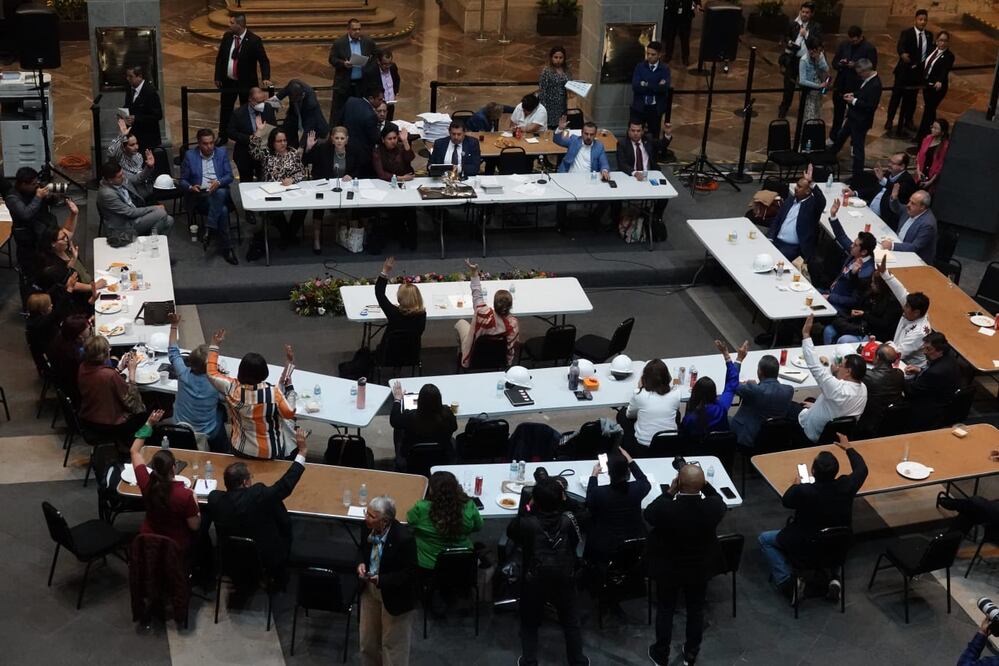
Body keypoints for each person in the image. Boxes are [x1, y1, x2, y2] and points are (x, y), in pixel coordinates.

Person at [758, 434, 867, 602]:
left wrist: (795, 485)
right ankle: (834, 578)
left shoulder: (804, 491)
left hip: (805, 546)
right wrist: (849, 448)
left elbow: (786, 500)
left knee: (765, 540)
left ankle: (788, 582)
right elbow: (862, 469)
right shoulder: (846, 485)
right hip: (837, 545)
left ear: (813, 471)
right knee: (831, 538)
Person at [645, 462, 726, 666]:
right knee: (695, 610)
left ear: (679, 482)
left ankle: (661, 652)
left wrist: (670, 491)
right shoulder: (713, 508)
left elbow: (649, 514)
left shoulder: (666, 508)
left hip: (669, 569)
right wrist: (704, 485)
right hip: (699, 569)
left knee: (665, 610)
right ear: (701, 484)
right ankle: (691, 652)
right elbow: (717, 498)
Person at [506, 477, 589, 666]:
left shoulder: (527, 523)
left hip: (534, 577)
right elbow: (583, 516)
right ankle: (577, 661)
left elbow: (512, 531)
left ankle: (529, 661)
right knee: (570, 620)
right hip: (565, 574)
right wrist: (565, 500)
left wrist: (527, 508)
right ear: (561, 499)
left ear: (535, 500)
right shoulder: (570, 520)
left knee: (530, 621)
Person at [208, 427, 309, 576]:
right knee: (278, 510)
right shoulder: (258, 495)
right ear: (244, 482)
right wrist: (302, 453)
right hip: (264, 557)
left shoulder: (215, 499)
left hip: (231, 558)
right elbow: (284, 485)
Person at [206, 328, 298, 460]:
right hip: (270, 451)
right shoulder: (273, 393)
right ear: (264, 372)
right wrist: (290, 386)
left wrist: (215, 345)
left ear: (241, 370)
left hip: (241, 448)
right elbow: (289, 413)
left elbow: (211, 373)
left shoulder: (231, 387)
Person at [358, 495, 418, 666]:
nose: (366, 518)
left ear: (384, 521)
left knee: (393, 645)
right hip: (370, 591)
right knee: (367, 642)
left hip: (395, 595)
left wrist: (382, 579)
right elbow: (361, 550)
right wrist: (361, 562)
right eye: (366, 513)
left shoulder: (403, 539)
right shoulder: (367, 527)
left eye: (371, 516)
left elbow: (410, 573)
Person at [129, 409, 201, 555]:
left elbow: (134, 451)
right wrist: (196, 503)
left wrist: (149, 424)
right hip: (175, 546)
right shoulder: (185, 495)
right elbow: (194, 526)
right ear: (174, 468)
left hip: (149, 541)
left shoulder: (146, 483)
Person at [792, 315, 868, 444]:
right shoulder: (863, 389)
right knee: (810, 400)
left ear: (848, 372)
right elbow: (836, 407)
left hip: (811, 433)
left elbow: (815, 366)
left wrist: (806, 335)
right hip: (833, 435)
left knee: (789, 407)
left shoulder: (837, 389)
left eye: (841, 365)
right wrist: (816, 406)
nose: (838, 367)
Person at [165, 313, 227, 453]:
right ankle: (222, 450)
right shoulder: (217, 384)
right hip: (206, 432)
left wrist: (174, 326)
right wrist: (215, 345)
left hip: (180, 426)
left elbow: (173, 351)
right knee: (222, 410)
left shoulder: (182, 373)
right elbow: (226, 397)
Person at [178, 129, 237, 265]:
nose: (209, 146)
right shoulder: (190, 156)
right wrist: (190, 187)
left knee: (220, 192)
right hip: (201, 195)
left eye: (211, 143)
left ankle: (209, 229)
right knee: (222, 211)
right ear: (199, 144)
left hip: (220, 191)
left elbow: (230, 176)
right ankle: (227, 248)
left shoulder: (221, 152)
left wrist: (219, 182)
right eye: (205, 144)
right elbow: (182, 180)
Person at [406, 471, 483, 572]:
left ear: (431, 490)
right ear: (456, 488)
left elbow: (409, 521)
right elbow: (479, 526)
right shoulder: (469, 506)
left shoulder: (421, 508)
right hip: (462, 564)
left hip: (428, 566)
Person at [584, 447, 650, 564]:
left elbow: (589, 498)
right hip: (635, 537)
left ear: (609, 473)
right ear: (628, 471)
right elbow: (644, 480)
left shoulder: (600, 493)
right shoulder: (637, 488)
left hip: (608, 541)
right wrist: (630, 459)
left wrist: (594, 475)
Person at [77, 336, 147, 445]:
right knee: (145, 413)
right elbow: (133, 403)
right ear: (105, 354)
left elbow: (102, 384)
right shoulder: (109, 375)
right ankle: (133, 446)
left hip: (88, 419)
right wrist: (132, 372)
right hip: (109, 425)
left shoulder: (83, 367)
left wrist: (119, 369)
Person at [213, 13, 271, 144]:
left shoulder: (254, 40)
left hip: (246, 83)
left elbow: (263, 60)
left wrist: (266, 77)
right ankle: (223, 135)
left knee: (247, 109)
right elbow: (220, 58)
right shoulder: (227, 37)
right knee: (226, 108)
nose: (229, 25)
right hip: (228, 82)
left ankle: (247, 135)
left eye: (232, 23)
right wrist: (217, 76)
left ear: (240, 25)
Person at [304, 125, 361, 252]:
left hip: (346, 187)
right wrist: (308, 148)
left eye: (342, 138)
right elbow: (306, 161)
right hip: (327, 187)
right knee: (318, 206)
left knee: (357, 202)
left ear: (347, 139)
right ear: (332, 139)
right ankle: (317, 239)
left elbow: (358, 168)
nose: (339, 141)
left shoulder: (353, 150)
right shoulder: (323, 149)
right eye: (337, 138)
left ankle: (353, 237)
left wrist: (351, 175)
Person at [250, 127, 309, 245]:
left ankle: (288, 235)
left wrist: (292, 179)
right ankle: (287, 235)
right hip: (272, 192)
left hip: (290, 191)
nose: (283, 143)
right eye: (279, 141)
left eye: (284, 140)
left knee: (303, 209)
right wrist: (258, 133)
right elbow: (254, 153)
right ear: (272, 142)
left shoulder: (293, 153)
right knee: (274, 211)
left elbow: (302, 172)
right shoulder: (267, 154)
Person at [456, 259, 519, 368]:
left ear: (494, 304)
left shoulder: (482, 313)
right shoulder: (513, 324)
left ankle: (462, 353)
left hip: (473, 360)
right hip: (499, 360)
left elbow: (477, 294)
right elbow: (510, 347)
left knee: (460, 323)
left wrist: (474, 273)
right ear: (510, 306)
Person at [830, 59, 882, 183]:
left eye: (860, 73)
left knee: (858, 148)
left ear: (866, 71)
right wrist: (853, 94)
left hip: (861, 121)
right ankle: (828, 157)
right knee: (840, 137)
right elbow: (862, 93)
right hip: (854, 117)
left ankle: (857, 176)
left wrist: (853, 101)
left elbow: (870, 106)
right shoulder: (868, 81)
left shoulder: (875, 85)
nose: (859, 75)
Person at [97, 161, 174, 243]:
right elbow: (129, 212)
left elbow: (138, 178)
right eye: (120, 176)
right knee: (161, 213)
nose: (123, 177)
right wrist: (154, 208)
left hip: (134, 215)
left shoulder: (118, 180)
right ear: (110, 180)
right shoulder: (107, 194)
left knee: (169, 220)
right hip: (124, 225)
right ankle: (150, 243)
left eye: (122, 173)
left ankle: (154, 243)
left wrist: (149, 167)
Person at [822, 198, 877, 316]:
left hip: (839, 306)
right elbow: (842, 236)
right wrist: (833, 216)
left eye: (855, 245)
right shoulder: (855, 252)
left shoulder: (866, 273)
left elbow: (853, 300)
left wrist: (830, 298)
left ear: (864, 252)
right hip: (829, 293)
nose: (851, 246)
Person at [819, 270, 903, 345]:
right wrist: (854, 274)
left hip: (871, 333)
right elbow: (859, 285)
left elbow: (883, 324)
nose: (871, 284)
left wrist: (864, 315)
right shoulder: (871, 293)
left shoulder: (893, 303)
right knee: (828, 330)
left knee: (844, 340)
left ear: (882, 286)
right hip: (857, 323)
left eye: (874, 283)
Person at [680, 340, 743, 438]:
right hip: (719, 448)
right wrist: (728, 355)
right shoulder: (721, 407)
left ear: (695, 392)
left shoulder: (689, 418)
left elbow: (683, 436)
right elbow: (731, 385)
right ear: (714, 393)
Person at [876, 257, 932, 368]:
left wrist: (880, 346)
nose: (903, 307)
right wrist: (884, 273)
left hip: (907, 367)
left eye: (906, 307)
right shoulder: (913, 309)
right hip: (893, 352)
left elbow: (898, 353)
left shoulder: (920, 332)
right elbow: (900, 290)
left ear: (916, 312)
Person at [389, 382, 457, 471]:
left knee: (398, 429)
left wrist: (397, 399)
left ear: (419, 400)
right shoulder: (447, 414)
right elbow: (455, 427)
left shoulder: (410, 416)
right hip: (442, 457)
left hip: (412, 459)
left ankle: (399, 459)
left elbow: (394, 420)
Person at [885, 9, 932, 138]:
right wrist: (902, 54)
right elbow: (900, 46)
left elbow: (929, 51)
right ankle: (890, 119)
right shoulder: (907, 33)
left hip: (917, 74)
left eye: (925, 20)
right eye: (920, 19)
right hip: (904, 72)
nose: (923, 22)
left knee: (912, 99)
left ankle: (908, 120)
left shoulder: (929, 35)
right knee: (896, 96)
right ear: (915, 19)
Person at [730, 354, 795, 448]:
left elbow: (732, 383)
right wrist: (757, 386)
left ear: (760, 372)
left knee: (726, 418)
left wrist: (739, 359)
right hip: (774, 438)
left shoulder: (753, 390)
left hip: (749, 438)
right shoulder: (789, 390)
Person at [619, 359, 681, 452]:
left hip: (643, 446)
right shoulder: (676, 394)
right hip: (669, 443)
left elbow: (629, 415)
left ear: (645, 378)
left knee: (622, 414)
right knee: (677, 414)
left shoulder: (639, 394)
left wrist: (639, 388)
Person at [372, 123, 418, 249]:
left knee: (411, 210)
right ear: (383, 139)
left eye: (394, 138)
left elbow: (410, 158)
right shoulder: (377, 151)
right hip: (387, 186)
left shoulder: (401, 147)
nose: (393, 141)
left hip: (406, 186)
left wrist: (405, 141)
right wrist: (401, 178)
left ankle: (410, 240)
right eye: (389, 139)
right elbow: (381, 174)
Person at [767, 166, 826, 263]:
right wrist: (770, 237)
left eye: (799, 187)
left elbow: (821, 201)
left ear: (807, 191)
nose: (795, 188)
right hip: (776, 240)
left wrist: (812, 183)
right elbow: (778, 219)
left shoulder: (812, 206)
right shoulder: (790, 199)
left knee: (774, 262)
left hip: (792, 247)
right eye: (797, 185)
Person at [904, 331, 961, 429]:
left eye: (929, 349)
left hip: (929, 410)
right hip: (943, 400)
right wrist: (920, 370)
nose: (924, 352)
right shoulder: (949, 359)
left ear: (940, 351)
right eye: (924, 348)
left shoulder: (935, 372)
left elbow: (911, 391)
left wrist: (898, 376)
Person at [830, 26, 878, 142]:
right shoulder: (844, 45)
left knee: (855, 116)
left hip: (856, 86)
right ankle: (833, 137)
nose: (853, 42)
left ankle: (854, 142)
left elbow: (872, 67)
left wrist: (855, 65)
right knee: (838, 114)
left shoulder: (869, 48)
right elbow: (834, 63)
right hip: (841, 84)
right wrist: (842, 64)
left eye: (855, 40)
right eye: (851, 40)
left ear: (861, 37)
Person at [329, 18, 379, 124]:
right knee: (340, 112)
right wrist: (343, 63)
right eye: (354, 29)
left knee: (360, 111)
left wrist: (369, 64)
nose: (357, 32)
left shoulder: (367, 42)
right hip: (344, 84)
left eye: (359, 29)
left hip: (361, 84)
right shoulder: (339, 43)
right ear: (348, 30)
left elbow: (376, 55)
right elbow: (332, 59)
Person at [375, 256, 426, 356]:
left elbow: (379, 293)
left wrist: (385, 271)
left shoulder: (393, 313)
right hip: (412, 355)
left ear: (399, 299)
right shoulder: (422, 315)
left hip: (388, 355)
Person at [850, 152, 916, 230]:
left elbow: (895, 190)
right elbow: (874, 189)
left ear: (902, 167)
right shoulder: (889, 174)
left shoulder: (907, 180)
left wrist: (882, 179)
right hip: (869, 211)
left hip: (884, 221)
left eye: (893, 163)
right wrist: (855, 192)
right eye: (889, 161)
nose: (889, 165)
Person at [779, 2, 822, 119]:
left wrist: (806, 34)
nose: (804, 14)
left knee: (805, 86)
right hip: (793, 59)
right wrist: (788, 42)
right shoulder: (793, 24)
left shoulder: (816, 26)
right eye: (802, 12)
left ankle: (804, 110)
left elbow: (817, 42)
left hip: (806, 62)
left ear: (812, 14)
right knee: (788, 86)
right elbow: (785, 36)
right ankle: (784, 108)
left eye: (807, 13)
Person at [227, 87, 276, 185]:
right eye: (258, 102)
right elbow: (231, 132)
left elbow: (274, 127)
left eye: (263, 101)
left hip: (264, 153)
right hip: (245, 154)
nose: (262, 104)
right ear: (250, 100)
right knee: (247, 183)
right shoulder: (239, 113)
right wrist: (249, 138)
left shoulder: (268, 108)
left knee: (264, 182)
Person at [855, 344, 905, 438]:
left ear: (877, 357)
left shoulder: (868, 376)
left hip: (868, 421)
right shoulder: (900, 374)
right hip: (891, 421)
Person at [881, 188, 938, 265]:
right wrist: (894, 198)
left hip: (914, 261)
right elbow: (897, 208)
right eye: (909, 201)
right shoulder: (911, 210)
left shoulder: (928, 224)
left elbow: (915, 247)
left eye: (913, 203)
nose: (908, 205)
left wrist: (892, 246)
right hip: (900, 248)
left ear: (922, 207)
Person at [917, 31, 954, 141]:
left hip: (937, 88)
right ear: (937, 41)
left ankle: (922, 135)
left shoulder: (949, 56)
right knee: (930, 111)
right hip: (927, 85)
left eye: (945, 41)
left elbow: (945, 70)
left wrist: (940, 81)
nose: (942, 43)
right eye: (941, 40)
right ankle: (933, 133)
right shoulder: (932, 49)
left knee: (929, 110)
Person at [272, 79, 330, 149]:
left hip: (310, 116)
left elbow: (309, 127)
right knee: (288, 130)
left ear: (303, 94)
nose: (296, 101)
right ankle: (291, 147)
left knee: (309, 142)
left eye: (298, 100)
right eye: (294, 99)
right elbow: (279, 96)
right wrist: (269, 107)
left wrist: (301, 146)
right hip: (294, 112)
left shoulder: (311, 102)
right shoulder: (292, 85)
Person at [107, 118, 156, 199]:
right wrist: (122, 136)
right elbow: (111, 154)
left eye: (136, 143)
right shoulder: (119, 158)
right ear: (124, 147)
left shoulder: (138, 156)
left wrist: (150, 167)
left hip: (142, 190)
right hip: (128, 194)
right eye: (132, 145)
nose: (136, 147)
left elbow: (140, 177)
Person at [46, 314, 90, 405]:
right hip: (77, 389)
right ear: (79, 335)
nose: (89, 327)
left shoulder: (61, 338)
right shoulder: (73, 355)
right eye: (88, 328)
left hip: (65, 382)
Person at [342, 86, 384, 177]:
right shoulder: (371, 115)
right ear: (371, 98)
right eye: (380, 99)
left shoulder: (351, 101)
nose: (381, 102)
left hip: (346, 145)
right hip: (362, 153)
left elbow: (341, 120)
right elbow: (374, 138)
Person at [631, 41, 670, 139]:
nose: (649, 57)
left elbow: (663, 88)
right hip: (640, 107)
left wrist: (645, 83)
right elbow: (636, 86)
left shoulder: (664, 69)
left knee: (654, 136)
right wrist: (655, 85)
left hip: (655, 109)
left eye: (653, 54)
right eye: (648, 54)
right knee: (635, 134)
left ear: (659, 55)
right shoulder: (640, 67)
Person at [123, 65, 162, 151]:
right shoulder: (130, 89)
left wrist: (136, 118)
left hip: (147, 138)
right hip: (135, 136)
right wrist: (122, 114)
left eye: (131, 76)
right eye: (127, 76)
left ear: (139, 76)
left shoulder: (150, 92)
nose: (128, 79)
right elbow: (128, 105)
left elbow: (158, 115)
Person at [362, 50, 400, 124]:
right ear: (378, 62)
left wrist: (395, 92)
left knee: (389, 123)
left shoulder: (393, 67)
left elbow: (397, 79)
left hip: (390, 103)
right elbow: (366, 90)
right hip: (378, 105)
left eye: (389, 64)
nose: (388, 67)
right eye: (385, 64)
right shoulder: (370, 72)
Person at [798, 37, 830, 122]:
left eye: (820, 51)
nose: (819, 53)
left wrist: (819, 60)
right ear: (811, 50)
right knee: (809, 116)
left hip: (818, 91)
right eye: (818, 51)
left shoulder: (820, 55)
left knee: (817, 114)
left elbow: (826, 69)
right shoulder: (804, 60)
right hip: (809, 92)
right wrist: (818, 86)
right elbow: (802, 80)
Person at [538, 46, 571, 128]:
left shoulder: (566, 70)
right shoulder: (547, 71)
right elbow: (542, 90)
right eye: (556, 57)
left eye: (561, 57)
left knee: (561, 125)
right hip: (549, 105)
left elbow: (569, 83)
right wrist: (543, 108)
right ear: (551, 58)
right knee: (550, 127)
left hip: (562, 104)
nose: (558, 60)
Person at [661, 0, 700, 67]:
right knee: (670, 36)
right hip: (672, 12)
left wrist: (698, 4)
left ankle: (685, 58)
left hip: (686, 13)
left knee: (685, 37)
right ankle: (668, 55)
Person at [915, 118, 949, 193]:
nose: (932, 129)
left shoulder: (944, 146)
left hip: (930, 177)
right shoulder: (927, 138)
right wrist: (918, 171)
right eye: (932, 127)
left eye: (936, 128)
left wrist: (930, 182)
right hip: (920, 173)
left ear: (942, 132)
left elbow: (940, 166)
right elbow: (919, 155)